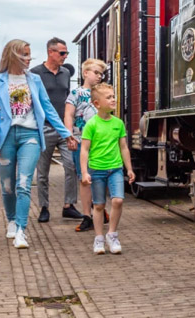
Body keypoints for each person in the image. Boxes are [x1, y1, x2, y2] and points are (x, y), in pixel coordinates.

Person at [0, 39, 76, 249]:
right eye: (25, 55)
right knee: (7, 187)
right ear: (14, 56)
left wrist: (65, 133)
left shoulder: (34, 80)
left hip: (31, 136)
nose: (28, 59)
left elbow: (47, 108)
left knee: (23, 183)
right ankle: (11, 219)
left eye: (29, 55)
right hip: (5, 137)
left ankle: (21, 230)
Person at [30, 37, 83, 223]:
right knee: (43, 171)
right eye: (62, 53)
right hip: (44, 128)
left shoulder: (66, 73)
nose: (65, 56)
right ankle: (44, 207)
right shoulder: (35, 73)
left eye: (66, 53)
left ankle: (69, 205)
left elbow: (68, 98)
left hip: (64, 128)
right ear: (50, 52)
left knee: (71, 166)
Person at [80, 83, 135, 254]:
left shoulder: (118, 124)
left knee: (118, 200)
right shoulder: (91, 124)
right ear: (97, 104)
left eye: (113, 96)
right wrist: (84, 172)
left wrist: (130, 169)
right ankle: (99, 238)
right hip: (97, 170)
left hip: (115, 169)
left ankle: (112, 234)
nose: (113, 99)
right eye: (109, 97)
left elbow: (124, 147)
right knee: (98, 205)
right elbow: (84, 149)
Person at [64, 58, 106, 232]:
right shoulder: (76, 93)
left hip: (101, 142)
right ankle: (87, 215)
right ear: (85, 73)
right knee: (84, 178)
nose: (99, 76)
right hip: (81, 140)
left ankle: (100, 210)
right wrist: (69, 136)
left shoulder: (102, 93)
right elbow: (69, 115)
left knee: (101, 176)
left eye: (101, 74)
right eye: (96, 73)